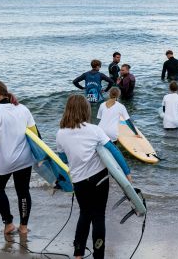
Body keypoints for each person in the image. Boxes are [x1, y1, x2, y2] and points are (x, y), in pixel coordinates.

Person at [56, 94, 131, 259]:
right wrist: (126, 173)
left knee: (84, 214)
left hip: (79, 181)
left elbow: (63, 160)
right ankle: (98, 256)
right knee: (98, 216)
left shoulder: (60, 134)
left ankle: (78, 254)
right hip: (99, 178)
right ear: (85, 110)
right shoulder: (95, 130)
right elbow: (114, 151)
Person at [0, 81, 39, 235]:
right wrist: (42, 158)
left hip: (5, 161)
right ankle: (24, 227)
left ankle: (8, 223)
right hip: (25, 160)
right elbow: (36, 135)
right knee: (23, 192)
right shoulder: (23, 109)